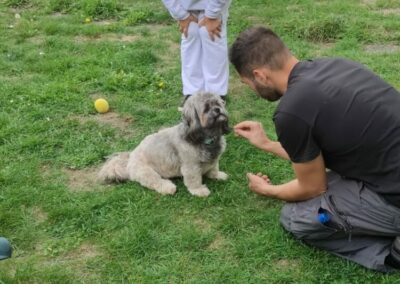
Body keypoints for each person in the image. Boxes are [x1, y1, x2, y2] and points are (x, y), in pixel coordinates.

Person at [230, 26, 400, 272]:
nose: (252, 90)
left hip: (394, 196)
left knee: (296, 217)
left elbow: (312, 186)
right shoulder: (337, 65)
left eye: (249, 84)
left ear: (261, 75)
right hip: (389, 167)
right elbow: (315, 156)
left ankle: (391, 255)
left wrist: (269, 190)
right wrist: (266, 144)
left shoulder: (291, 111)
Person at [161, 0, 231, 107]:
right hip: (183, 4)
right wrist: (181, 15)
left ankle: (216, 94)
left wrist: (212, 15)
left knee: (210, 34)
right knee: (190, 31)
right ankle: (193, 92)